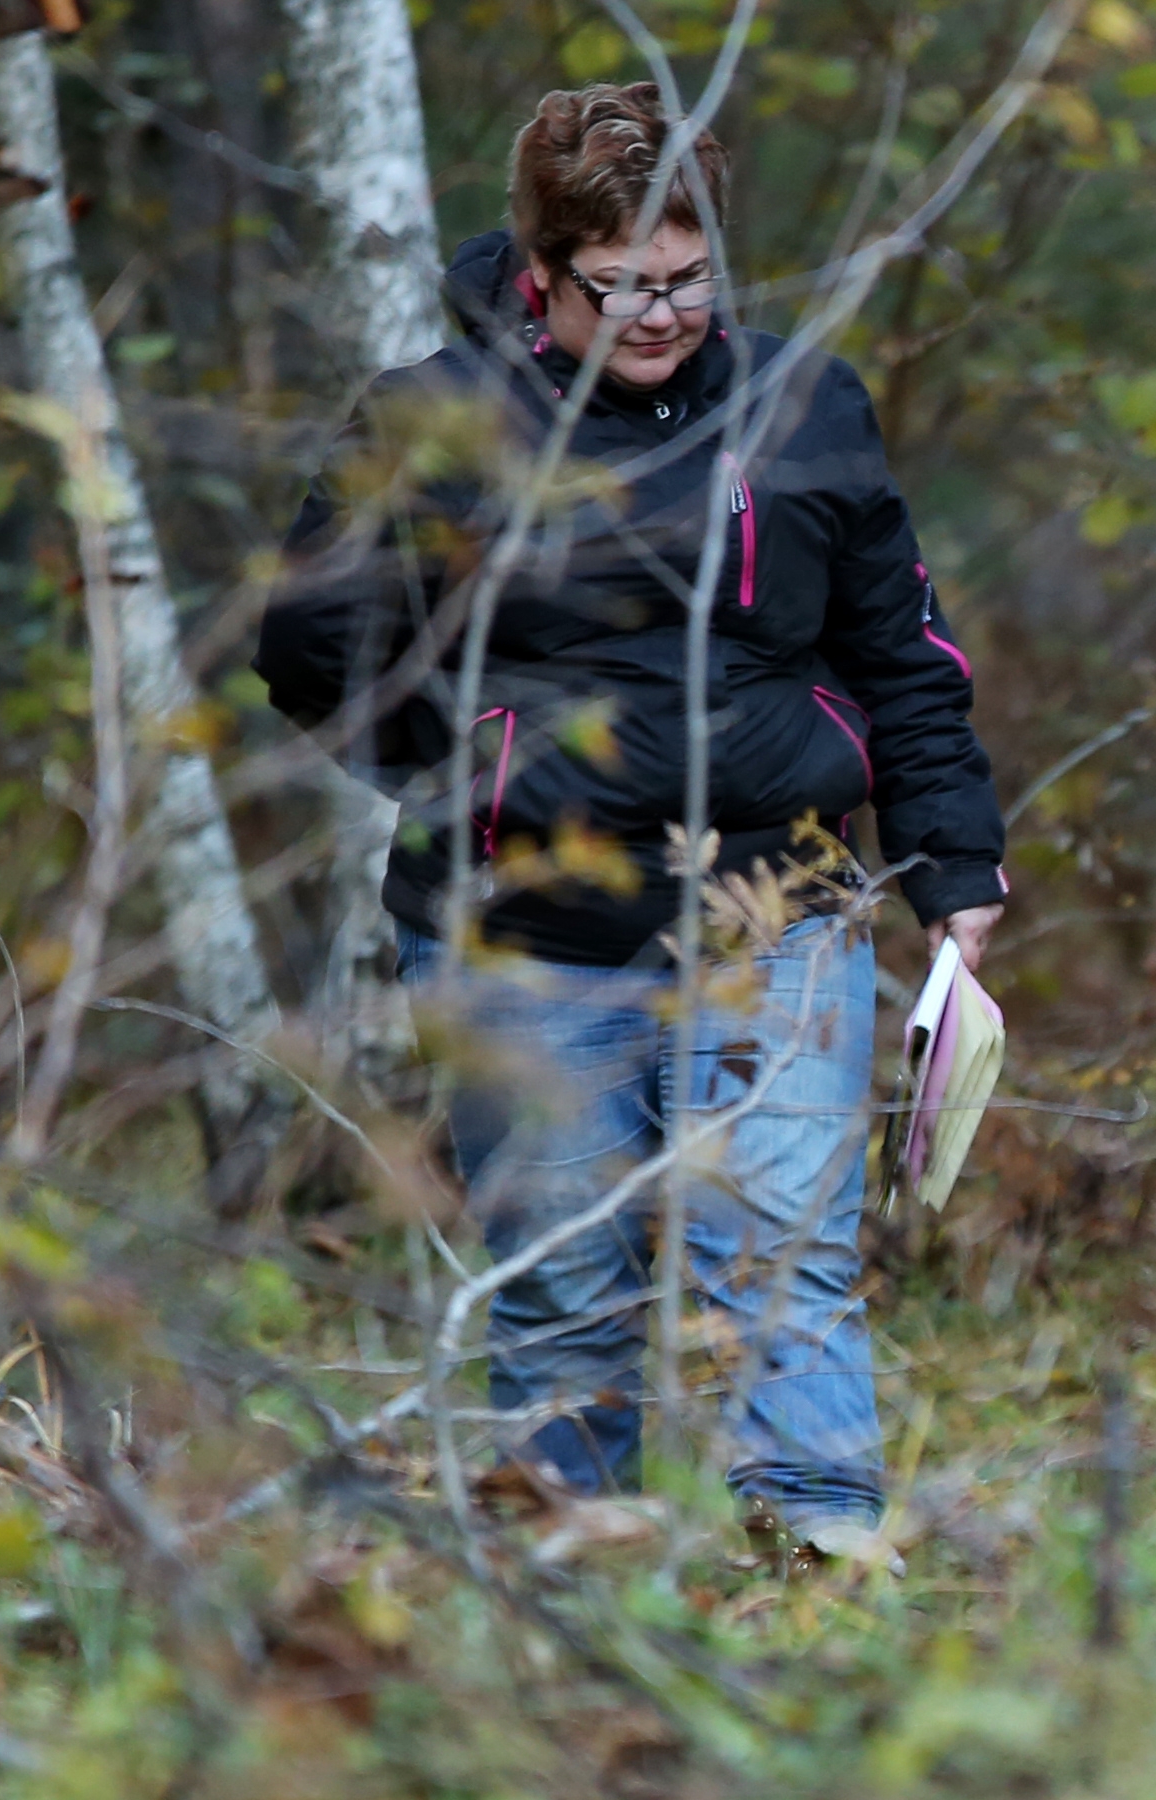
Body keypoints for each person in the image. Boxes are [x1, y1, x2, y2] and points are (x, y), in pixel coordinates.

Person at [257, 83, 1009, 1559]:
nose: (661, 315)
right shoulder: (431, 424)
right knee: (560, 1283)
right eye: (621, 286)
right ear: (541, 269)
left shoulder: (805, 404)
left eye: (688, 279)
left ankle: (819, 1560)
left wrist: (956, 862)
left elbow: (902, 654)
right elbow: (308, 642)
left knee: (781, 1261)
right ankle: (573, 1579)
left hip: (781, 909)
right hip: (522, 933)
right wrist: (468, 770)